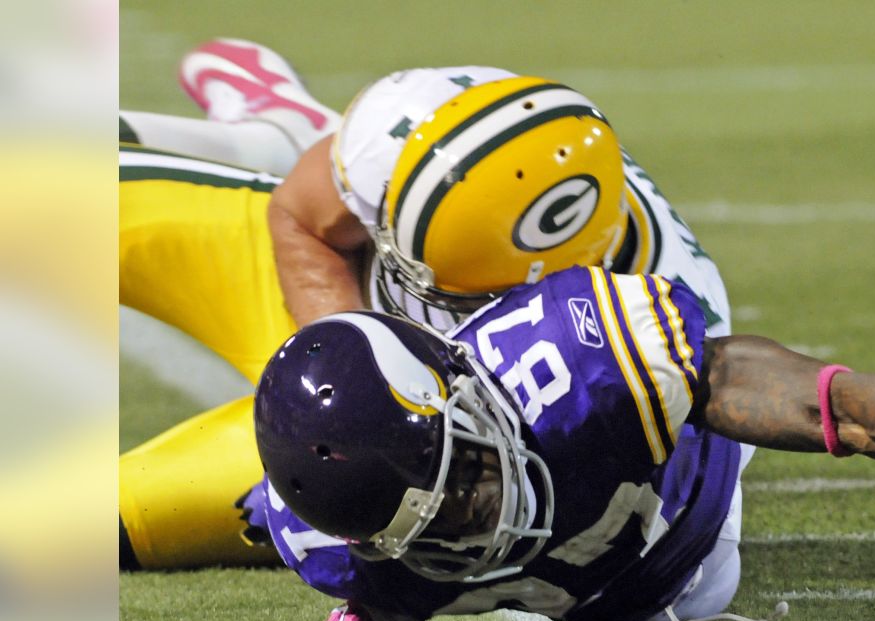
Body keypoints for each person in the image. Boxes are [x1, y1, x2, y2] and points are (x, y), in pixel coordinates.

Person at [251, 265, 875, 621]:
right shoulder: (328, 541)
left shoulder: (579, 368)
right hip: (617, 584)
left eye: (468, 476)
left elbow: (800, 396)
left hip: (691, 494)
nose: (473, 520)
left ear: (469, 397)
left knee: (687, 344)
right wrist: (380, 600)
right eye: (429, 529)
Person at [119, 39, 735, 569]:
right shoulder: (416, 122)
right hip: (325, 288)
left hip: (400, 440)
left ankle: (281, 129)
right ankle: (281, 135)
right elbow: (303, 220)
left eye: (449, 291)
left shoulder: (656, 335)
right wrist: (349, 354)